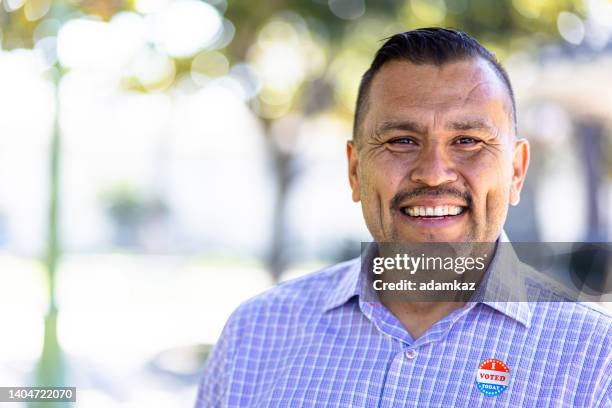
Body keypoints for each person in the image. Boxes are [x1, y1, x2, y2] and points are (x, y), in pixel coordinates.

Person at [195, 28, 611, 407]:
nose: (433, 172)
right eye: (402, 140)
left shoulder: (595, 361)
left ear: (516, 171)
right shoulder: (254, 336)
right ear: (355, 170)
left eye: (467, 140)